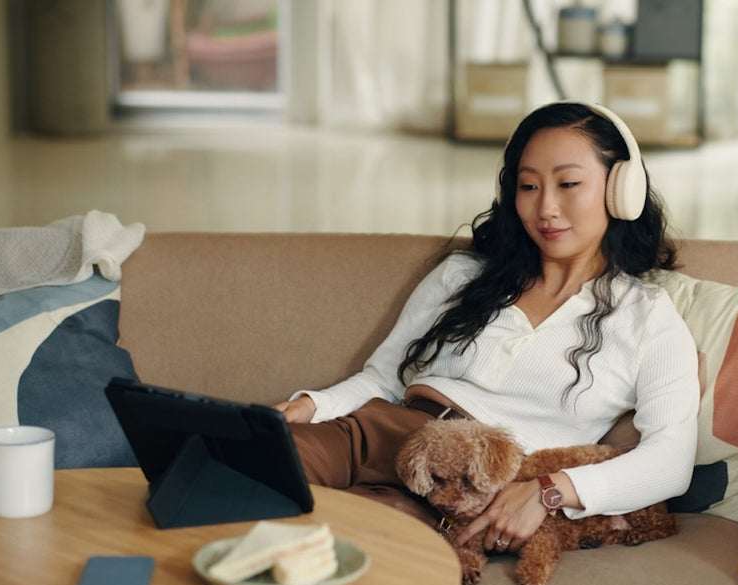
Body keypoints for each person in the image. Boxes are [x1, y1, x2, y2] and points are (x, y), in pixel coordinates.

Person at [275, 101, 699, 555]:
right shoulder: (462, 275)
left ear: (621, 189)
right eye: (528, 186)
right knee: (246, 477)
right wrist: (311, 405)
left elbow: (670, 462)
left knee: (326, 548)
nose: (545, 208)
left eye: (568, 183)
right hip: (378, 434)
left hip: (469, 486)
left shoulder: (647, 317)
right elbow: (384, 378)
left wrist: (548, 491)